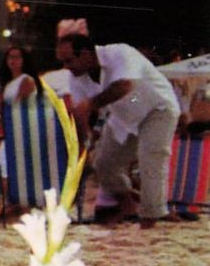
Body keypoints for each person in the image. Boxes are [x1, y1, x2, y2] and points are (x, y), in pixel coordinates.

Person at [56, 33, 183, 228]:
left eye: (69, 60)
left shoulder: (120, 52)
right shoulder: (76, 78)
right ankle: (128, 202)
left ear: (85, 53)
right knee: (104, 163)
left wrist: (91, 104)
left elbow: (124, 86)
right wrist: (86, 140)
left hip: (157, 107)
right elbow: (79, 113)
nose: (66, 66)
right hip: (123, 117)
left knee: (151, 157)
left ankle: (152, 216)